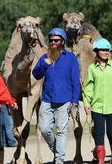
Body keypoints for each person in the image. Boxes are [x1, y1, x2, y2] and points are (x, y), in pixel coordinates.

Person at [32, 27, 80, 164]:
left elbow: (75, 81)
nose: (53, 42)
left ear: (62, 42)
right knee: (44, 128)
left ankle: (59, 160)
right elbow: (36, 74)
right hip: (47, 100)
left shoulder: (70, 58)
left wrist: (75, 101)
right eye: (51, 40)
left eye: (56, 40)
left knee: (61, 131)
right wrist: (44, 66)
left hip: (64, 100)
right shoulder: (44, 58)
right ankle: (56, 150)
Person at [83, 38, 112, 164]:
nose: (105, 52)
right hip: (97, 106)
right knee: (98, 134)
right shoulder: (92, 68)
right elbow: (89, 87)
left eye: (107, 50)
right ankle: (101, 160)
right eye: (102, 50)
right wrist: (87, 103)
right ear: (97, 51)